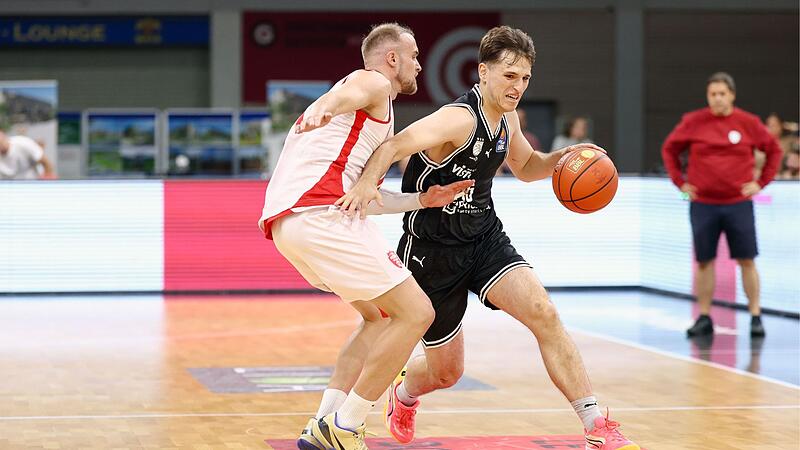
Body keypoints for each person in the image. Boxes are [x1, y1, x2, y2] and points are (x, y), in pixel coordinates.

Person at [337, 26, 640, 450]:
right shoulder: (457, 118)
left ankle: (596, 424)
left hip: (484, 238)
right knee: (447, 373)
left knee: (544, 312)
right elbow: (392, 147)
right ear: (483, 72)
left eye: (525, 79)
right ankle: (404, 395)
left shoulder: (507, 119)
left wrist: (567, 158)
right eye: (509, 76)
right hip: (432, 252)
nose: (517, 87)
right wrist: (368, 185)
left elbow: (528, 165)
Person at [258, 23, 472, 450]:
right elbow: (349, 91)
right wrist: (326, 105)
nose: (418, 64)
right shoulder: (372, 83)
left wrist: (421, 201)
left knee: (378, 317)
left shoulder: (364, 125)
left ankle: (322, 422)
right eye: (413, 56)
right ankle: (346, 425)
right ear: (392, 58)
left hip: (293, 225)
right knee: (416, 313)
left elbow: (362, 199)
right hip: (319, 218)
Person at [661, 72, 782, 338]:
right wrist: (680, 183)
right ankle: (704, 317)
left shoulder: (747, 122)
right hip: (703, 203)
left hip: (738, 203)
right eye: (712, 94)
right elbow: (669, 149)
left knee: (747, 260)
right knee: (704, 262)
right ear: (708, 96)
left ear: (732, 95)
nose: (717, 99)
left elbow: (774, 150)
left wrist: (760, 183)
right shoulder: (693, 122)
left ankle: (755, 316)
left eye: (722, 94)